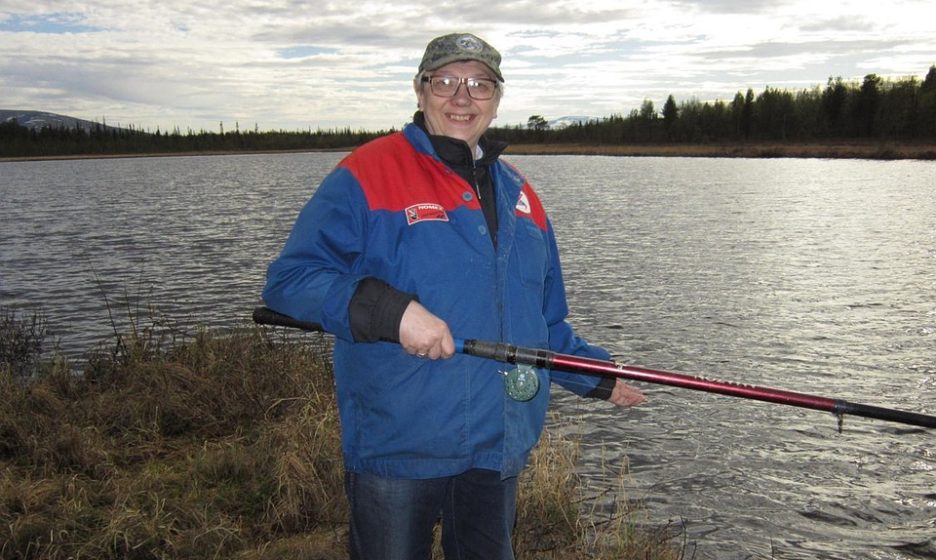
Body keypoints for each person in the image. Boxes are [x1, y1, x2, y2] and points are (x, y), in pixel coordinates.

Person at [262, 32, 646, 560]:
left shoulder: (520, 194)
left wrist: (596, 375)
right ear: (420, 91)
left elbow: (543, 321)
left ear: (497, 99)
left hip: (496, 444)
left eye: (480, 84)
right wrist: (394, 313)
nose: (463, 97)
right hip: (400, 443)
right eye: (446, 81)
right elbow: (291, 280)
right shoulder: (368, 172)